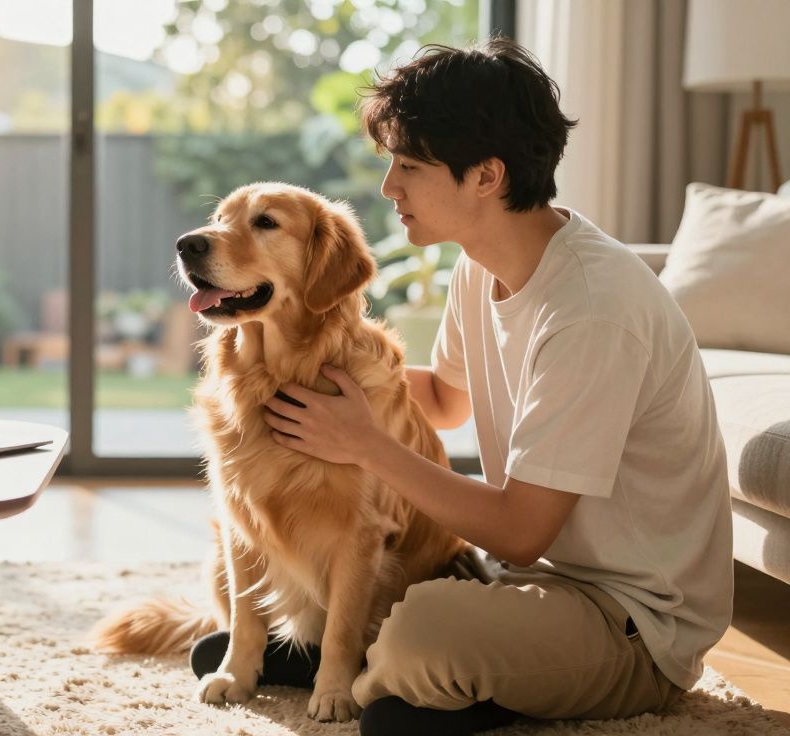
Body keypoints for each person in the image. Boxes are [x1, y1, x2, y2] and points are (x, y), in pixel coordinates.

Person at [189, 37, 733, 736]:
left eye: (409, 166)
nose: (389, 187)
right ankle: (372, 662)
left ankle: (391, 671)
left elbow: (520, 525)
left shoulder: (592, 310)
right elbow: (443, 400)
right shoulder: (484, 267)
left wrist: (361, 442)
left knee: (422, 640)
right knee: (421, 609)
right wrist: (315, 372)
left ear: (485, 176)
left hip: (636, 623)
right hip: (543, 580)